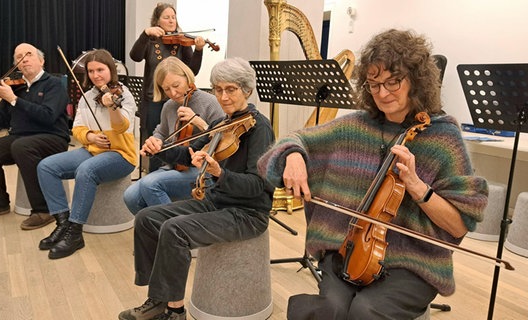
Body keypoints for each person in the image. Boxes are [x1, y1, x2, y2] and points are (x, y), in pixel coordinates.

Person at [258, 29, 489, 320]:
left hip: (411, 262)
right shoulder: (354, 125)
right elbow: (293, 140)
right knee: (333, 309)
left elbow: (458, 225)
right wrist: (292, 154)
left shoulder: (442, 137)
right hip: (349, 251)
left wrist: (417, 187)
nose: (382, 93)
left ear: (416, 81)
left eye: (393, 81)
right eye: (374, 84)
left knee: (366, 312)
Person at [119, 57, 274, 320]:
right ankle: (157, 299)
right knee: (146, 218)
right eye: (218, 89)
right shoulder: (221, 124)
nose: (223, 97)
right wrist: (161, 152)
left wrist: (219, 173)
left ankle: (175, 310)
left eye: (231, 89)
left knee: (174, 229)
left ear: (247, 90)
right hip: (217, 201)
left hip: (247, 213)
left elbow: (260, 186)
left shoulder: (260, 129)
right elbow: (189, 153)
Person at [36, 49, 137, 259]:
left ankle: (75, 232)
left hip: (121, 156)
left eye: (100, 69)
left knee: (86, 170)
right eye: (91, 71)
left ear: (111, 69)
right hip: (92, 150)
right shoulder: (87, 96)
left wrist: (112, 108)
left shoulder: (124, 95)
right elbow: (77, 128)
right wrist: (91, 137)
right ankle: (63, 224)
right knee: (46, 166)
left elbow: (122, 128)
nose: (95, 75)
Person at [0, 43, 70, 229]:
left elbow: (48, 116)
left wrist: (13, 100)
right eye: (19, 57)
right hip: (19, 139)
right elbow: (2, 120)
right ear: (17, 66)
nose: (24, 59)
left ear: (41, 61)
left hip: (52, 138)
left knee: (22, 146)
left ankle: (43, 210)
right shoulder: (15, 87)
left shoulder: (54, 84)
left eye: (29, 54)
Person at [123, 56, 223, 215]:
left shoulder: (211, 102)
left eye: (176, 85)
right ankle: (160, 232)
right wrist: (155, 140)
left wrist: (198, 122)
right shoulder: (169, 106)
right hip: (175, 165)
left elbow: (222, 138)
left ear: (187, 77)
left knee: (150, 183)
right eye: (166, 89)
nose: (173, 93)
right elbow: (162, 132)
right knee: (130, 196)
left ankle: (180, 232)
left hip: (204, 169)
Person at [130, 2, 207, 172]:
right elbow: (135, 56)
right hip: (154, 99)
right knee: (155, 139)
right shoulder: (150, 40)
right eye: (166, 17)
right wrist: (145, 34)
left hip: (176, 100)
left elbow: (192, 70)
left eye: (173, 17)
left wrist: (199, 50)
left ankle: (173, 172)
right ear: (157, 21)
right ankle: (154, 174)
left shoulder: (180, 41)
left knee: (175, 140)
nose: (171, 20)